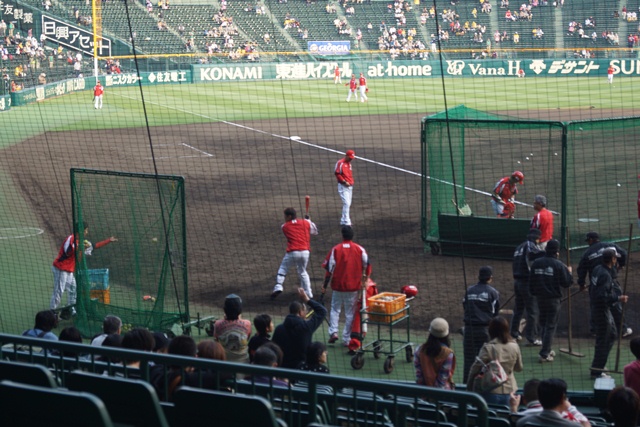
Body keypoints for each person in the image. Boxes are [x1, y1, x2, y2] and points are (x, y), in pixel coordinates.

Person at [50, 222, 117, 313]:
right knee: (59, 291)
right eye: (86, 230)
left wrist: (108, 240)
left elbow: (94, 246)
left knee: (73, 288)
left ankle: (70, 309)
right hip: (60, 269)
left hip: (69, 270)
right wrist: (80, 247)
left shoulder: (82, 242)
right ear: (81, 231)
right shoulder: (71, 239)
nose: (87, 233)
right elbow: (68, 252)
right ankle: (52, 312)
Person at [322, 225, 371, 347]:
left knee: (335, 309)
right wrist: (366, 279)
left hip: (338, 286)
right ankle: (346, 339)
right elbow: (368, 265)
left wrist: (324, 286)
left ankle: (333, 332)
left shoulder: (336, 249)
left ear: (342, 235)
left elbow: (329, 269)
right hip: (353, 287)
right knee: (350, 313)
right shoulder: (360, 249)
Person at [577, 231, 631, 337]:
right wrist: (622, 265)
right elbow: (624, 253)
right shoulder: (610, 246)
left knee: (595, 304)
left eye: (588, 240)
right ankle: (622, 329)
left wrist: (581, 284)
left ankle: (595, 330)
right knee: (615, 303)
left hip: (595, 282)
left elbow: (581, 269)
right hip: (611, 279)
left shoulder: (587, 252)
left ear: (591, 240)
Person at [528, 239, 573, 363]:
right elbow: (567, 283)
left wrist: (534, 293)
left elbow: (531, 281)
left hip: (540, 299)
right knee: (550, 326)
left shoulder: (536, 263)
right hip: (553, 300)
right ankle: (544, 353)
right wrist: (569, 273)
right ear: (557, 252)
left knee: (543, 324)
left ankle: (546, 348)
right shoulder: (559, 265)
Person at [590, 248, 629, 378]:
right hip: (602, 309)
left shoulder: (597, 269)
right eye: (615, 258)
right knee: (604, 340)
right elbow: (603, 296)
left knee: (611, 335)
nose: (617, 259)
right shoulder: (605, 275)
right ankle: (597, 370)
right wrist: (619, 298)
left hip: (598, 308)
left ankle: (599, 365)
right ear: (612, 259)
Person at [467, 316, 523, 406]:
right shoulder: (514, 346)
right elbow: (519, 368)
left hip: (491, 390)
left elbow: (475, 369)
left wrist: (469, 386)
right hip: (510, 391)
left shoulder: (488, 347)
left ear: (491, 330)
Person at [272, 288, 327, 369]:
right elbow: (322, 311)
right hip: (300, 369)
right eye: (305, 311)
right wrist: (307, 300)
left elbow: (274, 348)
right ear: (300, 312)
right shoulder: (306, 327)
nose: (306, 313)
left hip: (282, 368)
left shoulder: (279, 329)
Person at [462, 266, 500, 383]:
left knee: (469, 359)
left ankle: (466, 385)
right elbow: (495, 312)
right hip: (485, 330)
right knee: (485, 359)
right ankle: (483, 384)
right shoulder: (493, 292)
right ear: (490, 278)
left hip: (469, 329)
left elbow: (465, 306)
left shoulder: (469, 290)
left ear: (479, 276)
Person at [270, 207, 318, 300]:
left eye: (285, 216)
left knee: (283, 269)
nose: (284, 217)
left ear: (289, 216)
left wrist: (307, 221)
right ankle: (309, 293)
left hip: (293, 252)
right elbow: (315, 232)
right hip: (305, 252)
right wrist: (309, 221)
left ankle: (278, 286)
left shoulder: (284, 226)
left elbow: (294, 229)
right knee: (303, 271)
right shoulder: (305, 222)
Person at [511, 378, 592, 426]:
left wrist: (513, 409)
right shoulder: (573, 425)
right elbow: (586, 424)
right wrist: (571, 408)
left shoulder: (522, 422)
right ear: (562, 399)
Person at [511, 228, 543, 345]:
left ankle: (514, 333)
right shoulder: (530, 245)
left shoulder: (519, 247)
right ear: (537, 238)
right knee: (532, 311)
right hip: (527, 282)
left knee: (518, 309)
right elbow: (534, 256)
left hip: (518, 282)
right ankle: (532, 338)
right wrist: (549, 253)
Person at [414, 317, 456, 389]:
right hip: (442, 394)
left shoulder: (419, 350)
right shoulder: (448, 354)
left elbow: (419, 376)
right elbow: (443, 379)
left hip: (423, 391)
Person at [213, 294, 252, 364]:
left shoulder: (217, 324)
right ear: (240, 309)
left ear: (225, 309)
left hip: (224, 362)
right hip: (243, 362)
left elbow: (216, 339)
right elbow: (247, 338)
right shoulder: (247, 324)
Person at [334, 150, 356, 226]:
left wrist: (351, 182)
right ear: (346, 155)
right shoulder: (340, 163)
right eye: (350, 157)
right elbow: (337, 174)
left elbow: (349, 175)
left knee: (348, 203)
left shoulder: (349, 164)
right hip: (343, 186)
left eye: (352, 158)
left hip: (350, 186)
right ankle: (346, 221)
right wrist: (344, 182)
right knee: (346, 203)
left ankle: (344, 220)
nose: (351, 159)